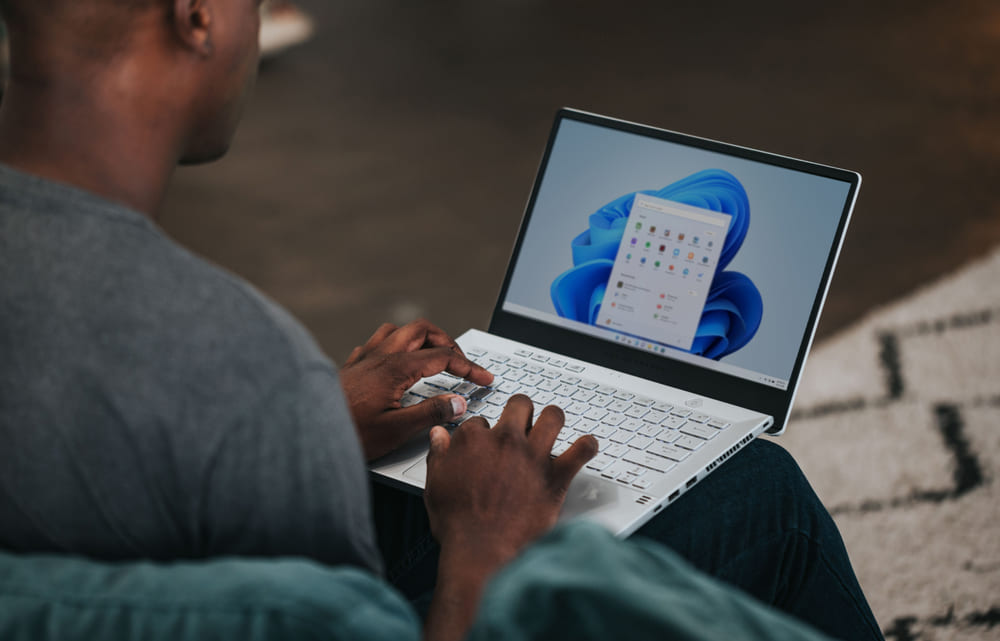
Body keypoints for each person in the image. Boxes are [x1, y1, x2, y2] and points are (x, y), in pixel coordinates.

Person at [0, 1, 884, 640]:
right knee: (765, 497)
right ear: (196, 16)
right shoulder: (230, 353)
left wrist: (316, 417)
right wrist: (484, 545)